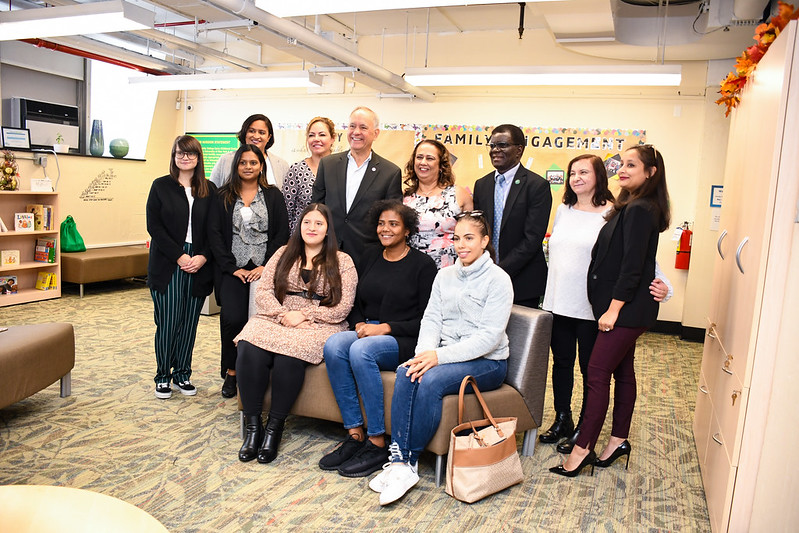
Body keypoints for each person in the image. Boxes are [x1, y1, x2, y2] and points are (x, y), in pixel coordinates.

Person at [370, 211, 514, 506]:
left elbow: (488, 339)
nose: (461, 245)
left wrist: (437, 357)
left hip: (488, 362)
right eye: (457, 238)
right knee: (406, 371)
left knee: (431, 379)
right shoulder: (445, 274)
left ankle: (407, 461)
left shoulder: (499, 280)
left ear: (485, 241)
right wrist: (423, 354)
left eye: (470, 238)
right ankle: (400, 461)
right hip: (447, 354)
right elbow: (431, 319)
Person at [550, 144, 671, 477]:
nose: (624, 169)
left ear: (650, 173)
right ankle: (617, 440)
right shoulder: (630, 206)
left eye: (632, 165)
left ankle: (581, 450)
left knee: (597, 373)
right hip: (625, 308)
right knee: (623, 374)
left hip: (626, 311)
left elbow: (633, 266)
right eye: (622, 163)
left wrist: (614, 309)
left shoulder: (640, 209)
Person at [320, 200, 436, 478]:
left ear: (407, 230)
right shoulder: (370, 256)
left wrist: (385, 327)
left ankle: (377, 440)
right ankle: (355, 433)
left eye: (393, 224)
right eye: (382, 223)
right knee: (334, 345)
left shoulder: (422, 265)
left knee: (361, 351)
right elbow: (357, 301)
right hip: (367, 331)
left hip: (402, 338)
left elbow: (426, 320)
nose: (385, 229)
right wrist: (359, 322)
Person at [234, 203, 357, 464]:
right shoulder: (282, 253)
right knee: (247, 344)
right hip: (277, 316)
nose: (312, 228)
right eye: (307, 222)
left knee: (289, 355)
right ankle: (254, 427)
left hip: (319, 322)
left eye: (318, 224)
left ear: (328, 230)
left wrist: (305, 315)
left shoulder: (343, 260)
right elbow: (263, 291)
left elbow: (343, 306)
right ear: (299, 226)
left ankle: (274, 428)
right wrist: (282, 315)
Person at [208, 144, 289, 398]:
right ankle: (231, 372)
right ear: (236, 166)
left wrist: (267, 266)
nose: (248, 167)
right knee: (232, 319)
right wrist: (231, 268)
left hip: (264, 269)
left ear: (261, 166)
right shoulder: (223, 195)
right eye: (243, 162)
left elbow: (281, 234)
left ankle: (254, 374)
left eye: (253, 162)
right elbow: (215, 234)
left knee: (260, 322)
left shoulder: (273, 195)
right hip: (233, 270)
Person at [146, 135, 216, 399]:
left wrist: (203, 257)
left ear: (198, 158)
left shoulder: (209, 189)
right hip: (168, 262)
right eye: (180, 153)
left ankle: (182, 374)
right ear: (174, 156)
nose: (185, 158)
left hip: (199, 263)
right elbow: (155, 227)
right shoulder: (160, 186)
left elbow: (215, 231)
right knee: (168, 322)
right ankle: (163, 376)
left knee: (189, 323)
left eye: (190, 154)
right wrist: (179, 256)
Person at [311, 106, 402, 266]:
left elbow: (391, 219)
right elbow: (317, 208)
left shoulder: (390, 172)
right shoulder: (328, 164)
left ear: (376, 133)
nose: (356, 132)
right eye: (352, 126)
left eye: (363, 127)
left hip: (367, 256)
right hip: (327, 252)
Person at [473, 124, 552, 307]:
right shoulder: (482, 185)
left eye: (502, 145)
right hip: (484, 280)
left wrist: (499, 270)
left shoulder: (537, 186)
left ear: (519, 150)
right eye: (492, 145)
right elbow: (479, 230)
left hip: (522, 281)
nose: (495, 150)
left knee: (519, 335)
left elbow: (532, 239)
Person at [402, 139, 473, 268]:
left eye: (430, 158)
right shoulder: (404, 198)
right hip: (412, 271)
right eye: (419, 157)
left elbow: (471, 236)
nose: (423, 162)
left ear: (441, 166)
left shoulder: (459, 195)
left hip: (450, 272)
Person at [283, 117, 336, 235]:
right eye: (311, 135)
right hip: (301, 239)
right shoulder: (296, 170)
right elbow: (286, 212)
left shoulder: (341, 169)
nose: (316, 139)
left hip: (334, 239)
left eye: (322, 135)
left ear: (333, 138)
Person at [210, 114, 289, 189]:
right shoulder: (226, 160)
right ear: (245, 133)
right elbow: (213, 192)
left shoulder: (281, 165)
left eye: (262, 133)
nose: (256, 136)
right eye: (251, 131)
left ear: (269, 137)